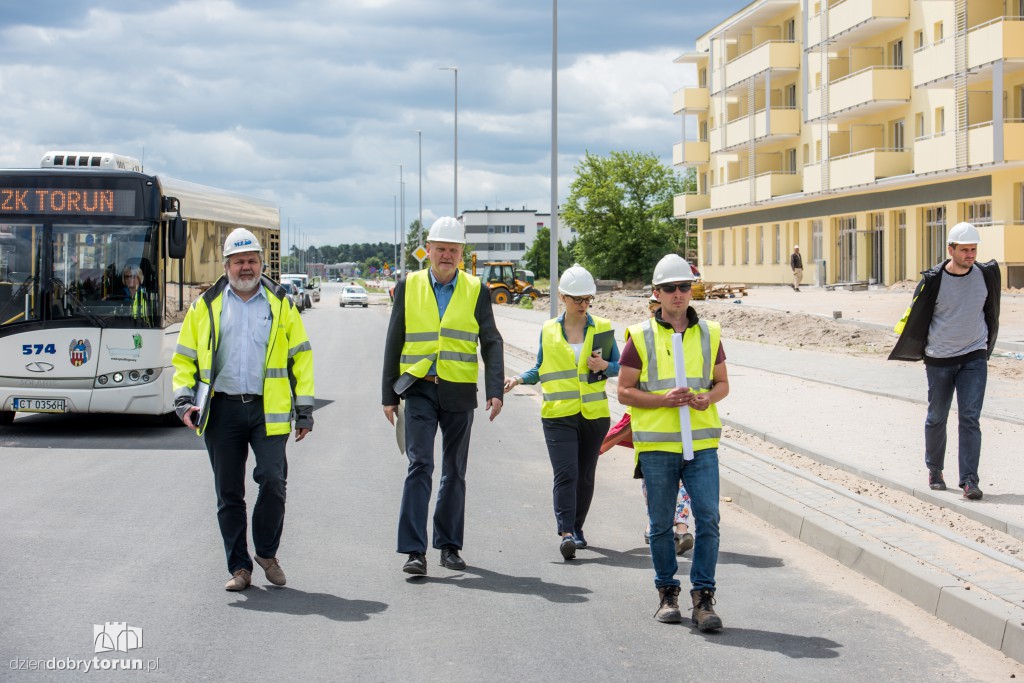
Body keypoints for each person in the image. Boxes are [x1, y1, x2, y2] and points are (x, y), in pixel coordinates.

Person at [172, 228, 314, 591]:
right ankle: (240, 568)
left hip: (270, 410)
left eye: (252, 260)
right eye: (239, 261)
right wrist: (184, 399)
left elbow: (301, 356)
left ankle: (266, 552)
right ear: (226, 266)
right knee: (229, 493)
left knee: (273, 480)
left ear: (261, 264)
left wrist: (305, 409)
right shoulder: (204, 306)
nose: (246, 267)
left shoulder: (280, 303)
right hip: (222, 412)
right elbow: (185, 357)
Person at [382, 216, 504, 576]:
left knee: (454, 470)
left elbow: (492, 342)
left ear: (461, 253)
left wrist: (495, 390)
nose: (446, 255)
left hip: (459, 391)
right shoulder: (408, 285)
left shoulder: (476, 289)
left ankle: (449, 546)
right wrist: (388, 393)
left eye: (453, 249)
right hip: (418, 387)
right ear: (429, 251)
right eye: (441, 249)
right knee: (420, 465)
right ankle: (414, 551)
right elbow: (394, 339)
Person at [617, 253, 729, 631]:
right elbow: (625, 392)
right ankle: (667, 593)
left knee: (709, 520)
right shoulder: (640, 336)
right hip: (659, 448)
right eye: (670, 288)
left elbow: (722, 384)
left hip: (701, 446)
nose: (678, 294)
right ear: (656, 293)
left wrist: (707, 398)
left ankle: (703, 598)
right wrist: (663, 401)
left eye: (684, 287)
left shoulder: (710, 333)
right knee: (661, 524)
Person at [502, 264, 619, 561]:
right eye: (577, 299)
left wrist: (605, 367)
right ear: (563, 298)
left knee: (586, 476)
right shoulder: (548, 329)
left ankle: (578, 528)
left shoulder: (603, 327)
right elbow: (541, 367)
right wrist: (518, 378)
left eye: (587, 299)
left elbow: (622, 366)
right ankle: (566, 533)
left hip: (594, 415)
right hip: (557, 415)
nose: (583, 305)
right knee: (566, 473)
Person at [889, 222, 1000, 500]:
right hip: (940, 360)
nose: (970, 255)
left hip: (974, 357)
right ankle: (935, 470)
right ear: (950, 249)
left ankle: (969, 480)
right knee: (937, 417)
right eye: (964, 250)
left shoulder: (986, 275)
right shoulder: (933, 280)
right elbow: (915, 318)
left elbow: (991, 312)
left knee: (970, 418)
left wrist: (985, 346)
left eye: (973, 249)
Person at [600, 294, 694, 556]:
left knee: (654, 484)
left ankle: (659, 528)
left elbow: (629, 388)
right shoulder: (651, 337)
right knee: (681, 483)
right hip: (680, 425)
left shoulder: (643, 337)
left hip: (653, 427)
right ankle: (681, 528)